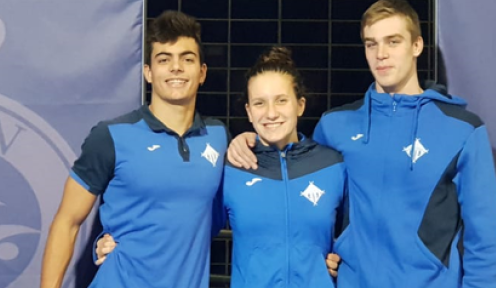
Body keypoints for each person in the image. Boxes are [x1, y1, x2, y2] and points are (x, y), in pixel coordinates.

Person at [227, 0, 496, 288]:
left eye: (393, 42)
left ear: (417, 46)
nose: (381, 54)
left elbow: (484, 243)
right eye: (371, 44)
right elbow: (302, 195)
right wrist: (251, 141)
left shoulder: (462, 130)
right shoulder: (335, 126)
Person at [96, 46, 345, 287]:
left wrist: (340, 259)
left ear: (300, 105)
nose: (271, 113)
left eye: (281, 101)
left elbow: (358, 235)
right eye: (260, 103)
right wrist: (115, 242)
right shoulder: (232, 168)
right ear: (249, 111)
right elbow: (181, 224)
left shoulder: (333, 165)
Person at [39, 10, 228, 288]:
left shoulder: (219, 137)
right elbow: (67, 222)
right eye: (164, 59)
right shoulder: (111, 136)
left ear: (202, 73)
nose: (176, 67)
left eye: (187, 59)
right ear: (148, 73)